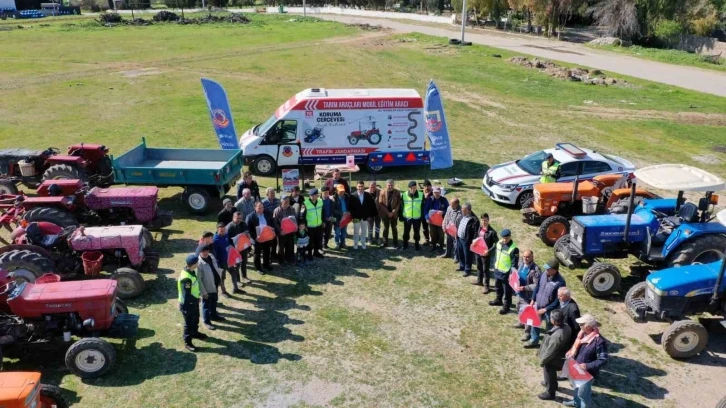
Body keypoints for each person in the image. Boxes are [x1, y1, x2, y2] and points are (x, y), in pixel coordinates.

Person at [563, 314, 609, 408]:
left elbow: (603, 359)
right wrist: (571, 353)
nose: (579, 325)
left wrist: (587, 366)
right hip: (576, 367)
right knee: (576, 388)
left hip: (587, 374)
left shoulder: (599, 342)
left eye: (581, 324)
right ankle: (576, 402)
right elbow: (576, 347)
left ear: (588, 327)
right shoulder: (581, 335)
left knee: (583, 395)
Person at [525, 259, 567, 348]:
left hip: (549, 310)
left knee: (549, 328)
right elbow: (537, 287)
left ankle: (546, 344)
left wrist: (545, 309)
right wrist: (533, 299)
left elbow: (557, 300)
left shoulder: (560, 282)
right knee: (535, 323)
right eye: (546, 269)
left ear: (555, 270)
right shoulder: (544, 274)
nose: (547, 270)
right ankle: (533, 341)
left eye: (549, 269)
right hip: (538, 304)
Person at [537, 309, 572, 401]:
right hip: (559, 355)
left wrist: (543, 361)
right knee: (551, 373)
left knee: (548, 371)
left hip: (553, 358)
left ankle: (550, 393)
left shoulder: (557, 335)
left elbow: (550, 351)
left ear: (555, 321)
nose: (550, 318)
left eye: (551, 317)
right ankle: (553, 385)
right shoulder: (567, 327)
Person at [178, 254, 208, 352]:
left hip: (193, 302)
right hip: (187, 305)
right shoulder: (186, 278)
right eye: (197, 262)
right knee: (189, 323)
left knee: (195, 319)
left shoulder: (191, 271)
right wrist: (196, 299)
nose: (198, 263)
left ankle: (194, 333)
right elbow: (186, 296)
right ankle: (188, 342)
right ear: (193, 264)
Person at [489, 229, 519, 315]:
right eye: (503, 238)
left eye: (506, 238)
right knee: (497, 287)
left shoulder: (514, 248)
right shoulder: (499, 243)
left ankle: (507, 306)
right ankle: (498, 300)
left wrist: (511, 275)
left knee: (507, 291)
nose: (504, 240)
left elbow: (514, 264)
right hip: (498, 270)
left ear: (510, 236)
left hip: (506, 273)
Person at [515, 250, 542, 340]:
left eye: (528, 257)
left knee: (527, 313)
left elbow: (536, 285)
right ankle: (521, 322)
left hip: (528, 295)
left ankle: (527, 332)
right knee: (519, 308)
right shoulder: (521, 264)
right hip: (519, 292)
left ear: (532, 257)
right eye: (524, 257)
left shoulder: (535, 269)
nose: (525, 259)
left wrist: (525, 288)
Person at [197, 244, 224, 331]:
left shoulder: (211, 257)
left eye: (207, 251)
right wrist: (203, 292)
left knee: (214, 301)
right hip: (207, 288)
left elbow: (215, 268)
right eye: (203, 251)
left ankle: (213, 315)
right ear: (200, 252)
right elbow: (199, 280)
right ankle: (206, 321)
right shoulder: (199, 264)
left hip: (214, 284)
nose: (205, 253)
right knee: (206, 305)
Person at [473, 213, 498, 293]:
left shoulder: (492, 232)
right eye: (482, 220)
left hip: (485, 253)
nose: (484, 222)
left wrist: (489, 251)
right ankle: (479, 280)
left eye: (485, 220)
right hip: (478, 251)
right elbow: (477, 237)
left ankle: (486, 286)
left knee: (485, 269)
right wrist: (474, 241)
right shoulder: (479, 228)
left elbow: (496, 244)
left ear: (488, 220)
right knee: (479, 266)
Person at [246, 201, 274, 273]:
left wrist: (272, 230)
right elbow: (249, 230)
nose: (261, 209)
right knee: (257, 253)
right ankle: (258, 268)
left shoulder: (267, 213)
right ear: (255, 208)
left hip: (266, 237)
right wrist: (255, 238)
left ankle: (266, 265)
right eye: (259, 208)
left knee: (267, 251)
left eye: (262, 207)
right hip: (257, 239)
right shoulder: (250, 217)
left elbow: (271, 223)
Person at [225, 211, 250, 288]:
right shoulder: (229, 227)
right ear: (233, 218)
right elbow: (227, 240)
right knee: (237, 265)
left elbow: (247, 232)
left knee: (244, 262)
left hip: (243, 248)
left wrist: (248, 235)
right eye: (237, 218)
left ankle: (244, 276)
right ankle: (238, 280)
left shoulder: (243, 224)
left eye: (240, 218)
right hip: (235, 250)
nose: (239, 220)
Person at [350, 181, 376, 250]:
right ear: (356, 187)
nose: (360, 188)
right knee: (356, 231)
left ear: (364, 187)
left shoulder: (368, 195)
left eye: (361, 186)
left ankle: (363, 243)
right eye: (359, 186)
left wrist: (369, 216)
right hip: (356, 217)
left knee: (364, 231)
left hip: (365, 217)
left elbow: (371, 207)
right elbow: (351, 208)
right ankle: (355, 244)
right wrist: (353, 217)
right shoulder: (353, 196)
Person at [212, 223, 236, 297]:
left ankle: (236, 288)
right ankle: (223, 291)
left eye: (224, 230)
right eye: (221, 231)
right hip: (221, 262)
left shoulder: (226, 235)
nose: (223, 232)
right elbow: (214, 253)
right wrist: (218, 264)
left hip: (228, 260)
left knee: (234, 272)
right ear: (217, 230)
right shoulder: (215, 240)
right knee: (222, 277)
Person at [456, 203, 479, 276]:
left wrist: (473, 241)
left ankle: (467, 269)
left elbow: (475, 232)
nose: (462, 210)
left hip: (467, 240)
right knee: (460, 253)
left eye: (464, 209)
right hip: (459, 238)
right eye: (462, 209)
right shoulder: (463, 215)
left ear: (468, 210)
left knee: (467, 256)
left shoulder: (474, 220)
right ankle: (462, 266)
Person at [424, 186, 449, 253]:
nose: (436, 194)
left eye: (438, 192)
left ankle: (441, 248)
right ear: (433, 192)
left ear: (440, 192)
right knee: (432, 234)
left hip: (441, 221)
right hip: (432, 221)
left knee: (441, 235)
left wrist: (443, 212)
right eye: (435, 192)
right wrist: (427, 218)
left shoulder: (444, 200)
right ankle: (434, 246)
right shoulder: (430, 199)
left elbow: (448, 210)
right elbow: (425, 210)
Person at [273, 195, 297, 265]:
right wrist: (280, 231)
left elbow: (294, 219)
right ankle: (281, 261)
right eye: (285, 202)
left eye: (288, 202)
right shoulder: (277, 210)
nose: (287, 203)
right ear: (281, 202)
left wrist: (295, 227)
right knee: (281, 248)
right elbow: (275, 223)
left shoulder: (292, 209)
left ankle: (288, 258)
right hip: (282, 233)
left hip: (290, 232)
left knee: (289, 246)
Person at [378, 179, 401, 248]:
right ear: (386, 185)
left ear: (393, 185)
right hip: (385, 214)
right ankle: (385, 242)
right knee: (385, 228)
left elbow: (399, 203)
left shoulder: (397, 192)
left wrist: (394, 211)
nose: (390, 186)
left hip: (394, 214)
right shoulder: (382, 192)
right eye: (389, 185)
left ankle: (395, 243)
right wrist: (388, 212)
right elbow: (380, 203)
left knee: (394, 228)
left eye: (391, 185)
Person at [401, 181, 424, 250]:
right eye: (411, 188)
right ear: (408, 188)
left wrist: (422, 217)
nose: (413, 189)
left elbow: (423, 206)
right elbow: (401, 206)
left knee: (417, 231)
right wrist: (401, 216)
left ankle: (417, 244)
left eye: (414, 188)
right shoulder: (404, 195)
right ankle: (405, 244)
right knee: (406, 231)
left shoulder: (421, 195)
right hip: (407, 217)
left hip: (417, 217)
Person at [302, 188, 324, 258]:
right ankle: (309, 253)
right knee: (310, 241)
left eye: (315, 195)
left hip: (319, 225)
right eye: (312, 196)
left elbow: (322, 212)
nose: (314, 197)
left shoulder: (320, 201)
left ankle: (316, 252)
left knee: (318, 239)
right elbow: (302, 216)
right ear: (310, 196)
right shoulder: (305, 203)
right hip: (310, 226)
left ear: (317, 195)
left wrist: (323, 221)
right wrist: (304, 226)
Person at [332, 184, 350, 250]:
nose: (342, 192)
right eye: (340, 191)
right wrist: (342, 213)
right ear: (337, 191)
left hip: (345, 218)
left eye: (343, 191)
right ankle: (337, 243)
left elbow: (349, 206)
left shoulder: (347, 197)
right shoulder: (334, 199)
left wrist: (348, 212)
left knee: (344, 232)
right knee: (337, 232)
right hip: (337, 219)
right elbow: (333, 210)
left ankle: (343, 243)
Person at [420, 180, 433, 246]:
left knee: (432, 228)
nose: (427, 187)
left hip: (432, 215)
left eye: (428, 186)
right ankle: (427, 239)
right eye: (425, 186)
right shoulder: (420, 194)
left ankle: (433, 240)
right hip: (423, 214)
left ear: (431, 186)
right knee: (425, 228)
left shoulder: (434, 194)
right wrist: (424, 198)